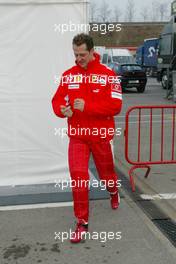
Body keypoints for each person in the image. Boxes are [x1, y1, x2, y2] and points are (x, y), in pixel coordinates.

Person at [52, 33, 122, 243]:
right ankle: (82, 222)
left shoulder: (109, 74)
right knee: (78, 175)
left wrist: (88, 106)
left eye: (82, 54)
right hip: (78, 137)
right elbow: (56, 101)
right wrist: (62, 110)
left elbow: (116, 106)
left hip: (100, 135)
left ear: (92, 51)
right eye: (76, 54)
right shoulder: (68, 75)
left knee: (106, 174)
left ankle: (113, 191)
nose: (79, 58)